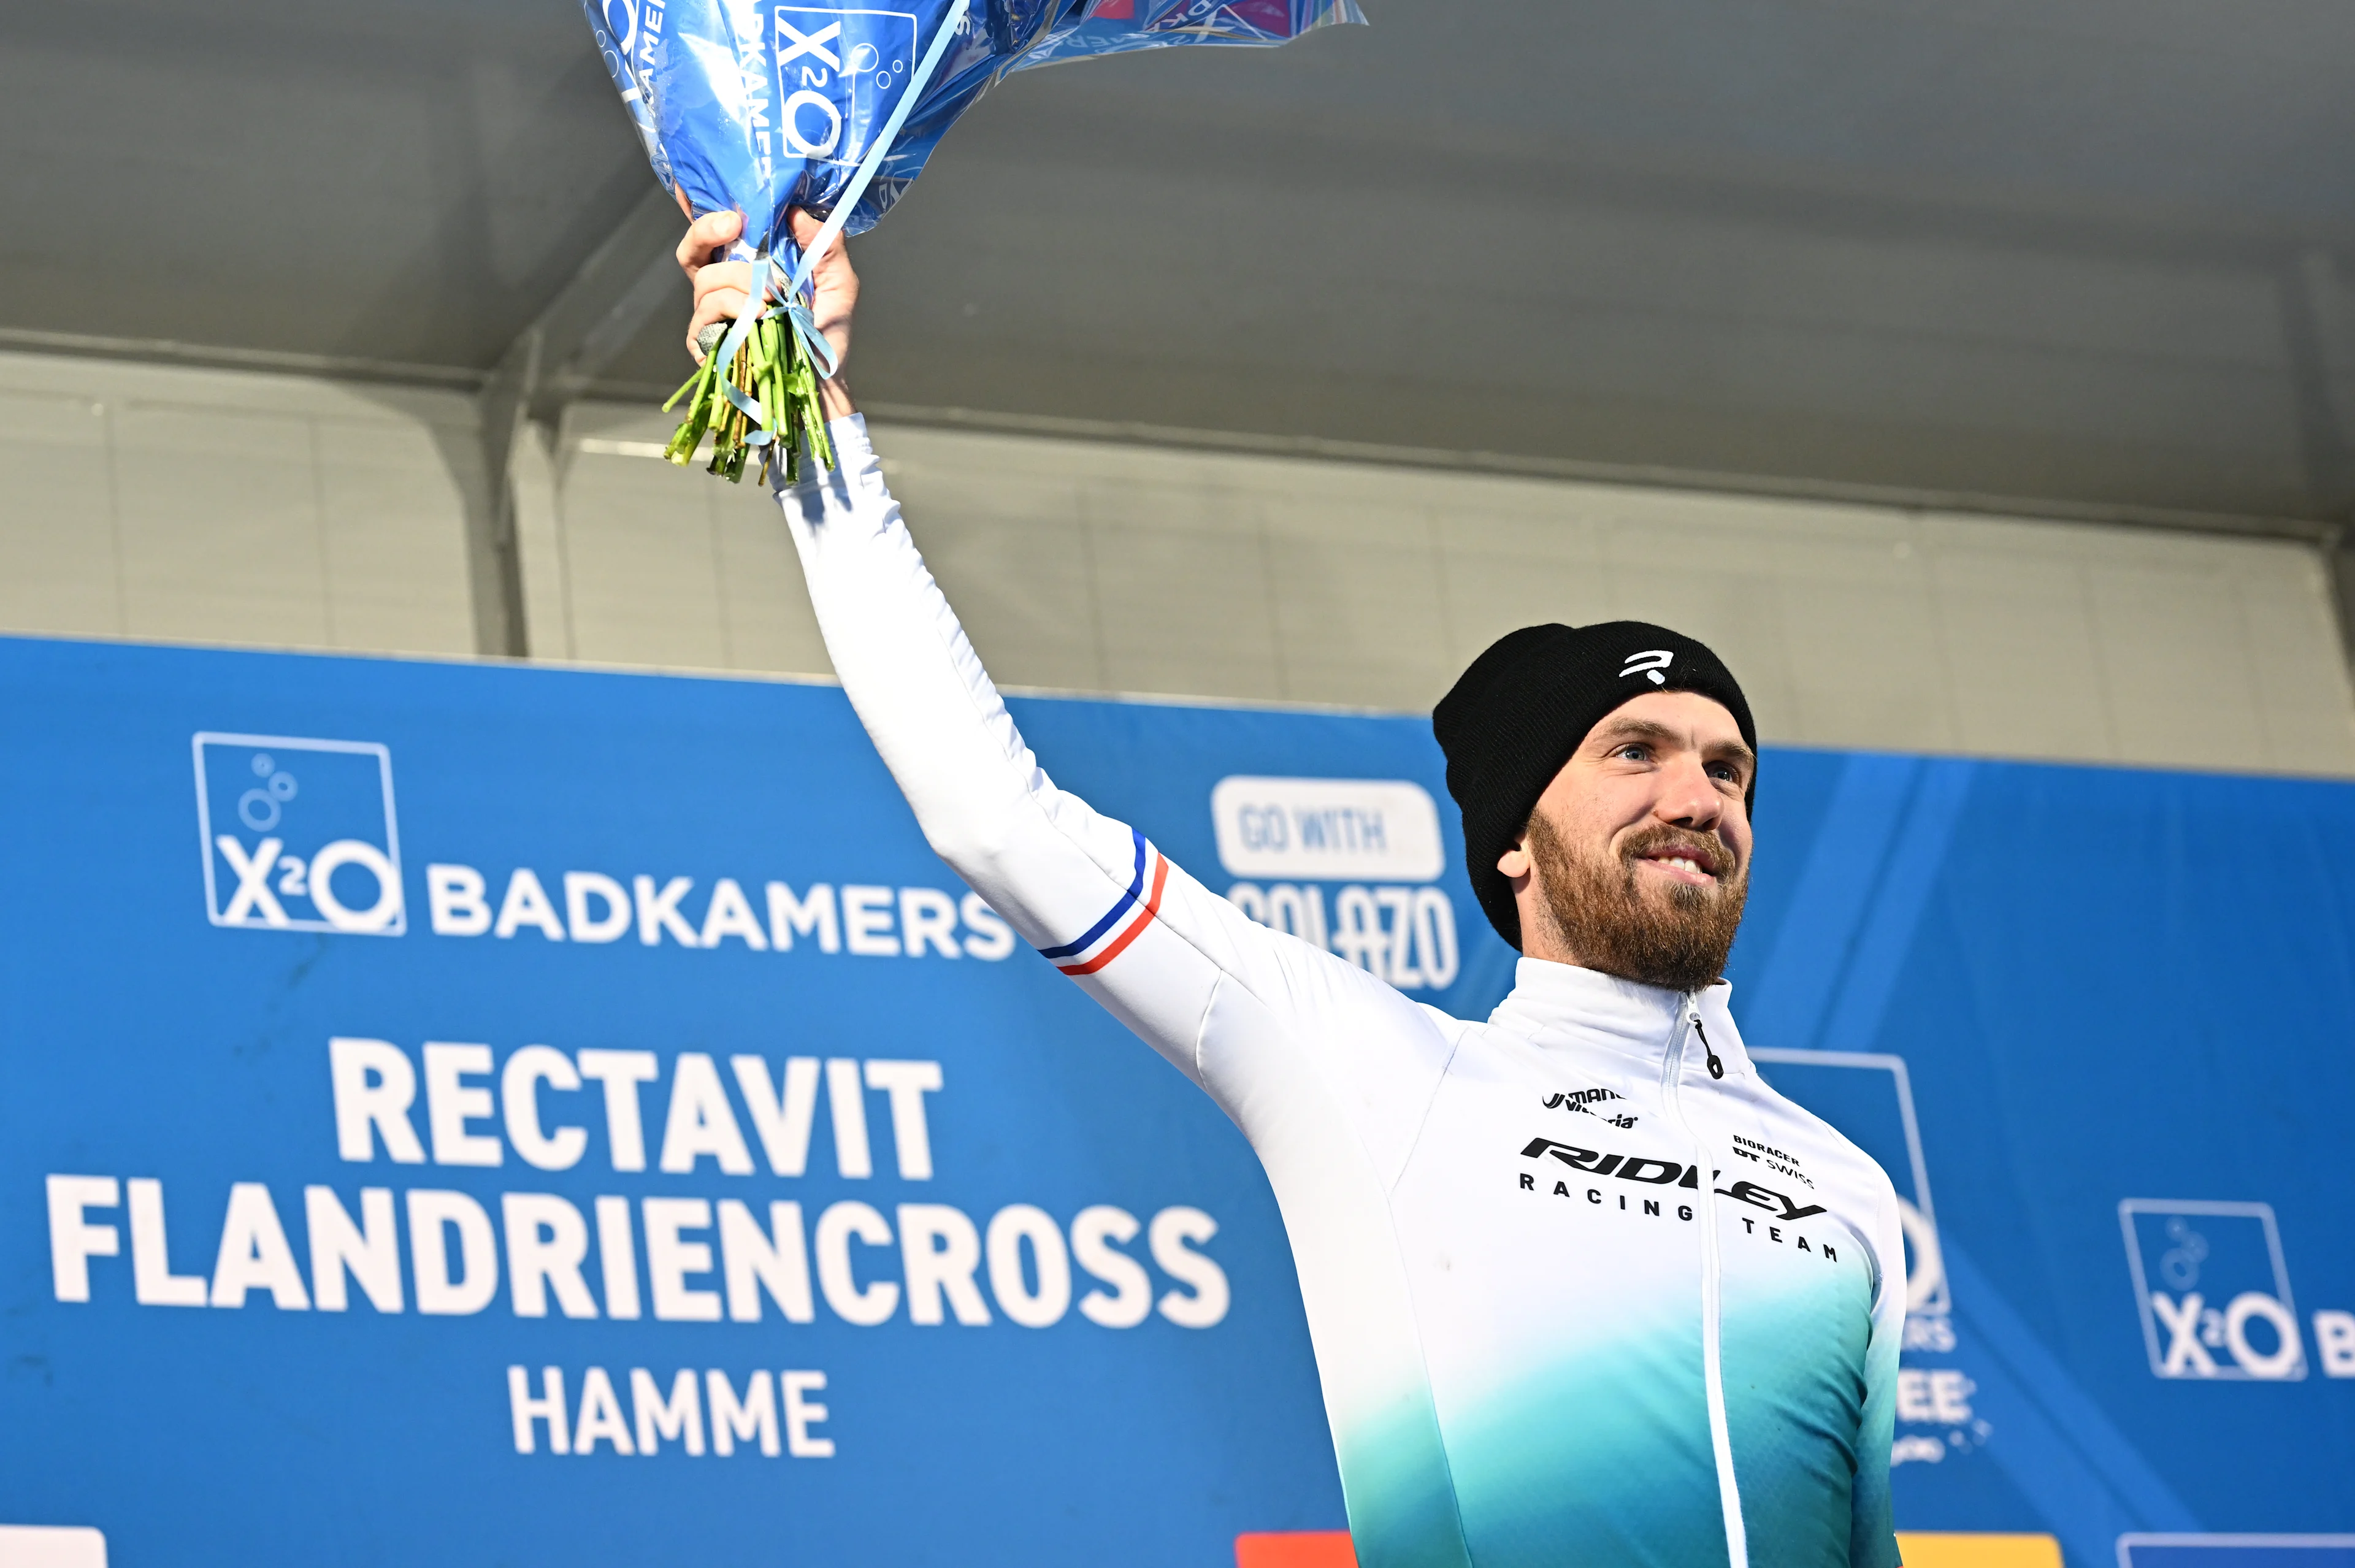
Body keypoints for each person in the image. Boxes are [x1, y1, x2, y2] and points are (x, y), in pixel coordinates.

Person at [678, 208, 1904, 1568]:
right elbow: (998, 821)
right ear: (1514, 838)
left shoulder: (1844, 1185)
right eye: (1636, 752)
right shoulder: (1382, 1077)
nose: (1698, 797)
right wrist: (813, 436)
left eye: (1729, 770)